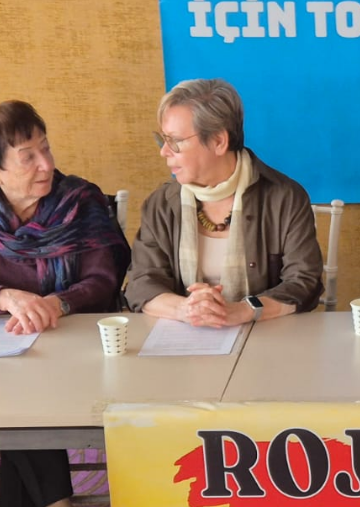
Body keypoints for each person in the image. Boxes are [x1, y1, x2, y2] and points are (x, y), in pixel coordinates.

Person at [0, 100, 130, 507]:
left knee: (16, 406)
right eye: (28, 156)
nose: (46, 164)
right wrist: (8, 297)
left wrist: (56, 302)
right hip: (14, 347)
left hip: (79, 342)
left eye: (46, 148)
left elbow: (103, 280)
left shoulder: (80, 201)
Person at [126, 79, 324, 324]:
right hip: (183, 336)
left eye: (175, 141)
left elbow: (304, 282)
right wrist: (187, 309)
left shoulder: (285, 198)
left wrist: (244, 310)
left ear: (219, 141)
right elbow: (141, 282)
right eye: (162, 139)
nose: (163, 151)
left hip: (266, 334)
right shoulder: (161, 204)